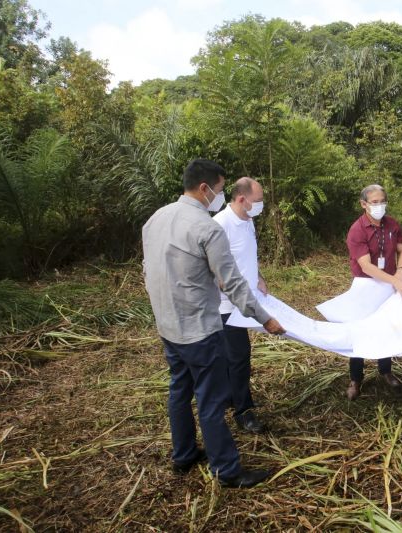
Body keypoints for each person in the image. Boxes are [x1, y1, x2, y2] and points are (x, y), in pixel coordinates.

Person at [142, 159, 285, 488]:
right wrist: (266, 319)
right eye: (221, 190)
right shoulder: (208, 227)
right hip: (199, 328)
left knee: (179, 390)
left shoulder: (156, 219)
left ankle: (184, 454)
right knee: (210, 399)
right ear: (205, 188)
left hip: (168, 326)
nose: (222, 196)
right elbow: (233, 284)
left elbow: (148, 273)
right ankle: (227, 470)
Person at [345, 184, 402, 400]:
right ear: (364, 204)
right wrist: (395, 280)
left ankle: (386, 370)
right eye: (375, 202)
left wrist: (400, 272)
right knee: (361, 331)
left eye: (382, 201)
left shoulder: (392, 224)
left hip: (389, 284)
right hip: (366, 286)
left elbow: (401, 250)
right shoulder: (357, 230)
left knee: (387, 326)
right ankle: (356, 378)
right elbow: (366, 266)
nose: (380, 206)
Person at [213, 177, 267, 434]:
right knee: (238, 357)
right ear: (241, 199)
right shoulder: (220, 225)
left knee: (232, 357)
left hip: (248, 299)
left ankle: (229, 397)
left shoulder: (248, 221)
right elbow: (215, 269)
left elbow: (247, 257)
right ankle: (243, 411)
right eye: (257, 201)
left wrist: (259, 278)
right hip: (227, 305)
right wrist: (235, 293)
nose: (261, 206)